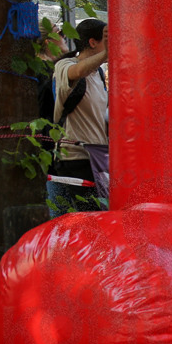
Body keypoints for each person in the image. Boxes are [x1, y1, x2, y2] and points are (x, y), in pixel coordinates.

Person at [51, 18, 109, 214]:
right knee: (89, 220)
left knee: (100, 218)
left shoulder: (99, 73)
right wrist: (107, 54)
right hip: (74, 159)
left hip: (97, 160)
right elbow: (77, 71)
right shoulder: (64, 65)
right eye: (106, 40)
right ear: (93, 42)